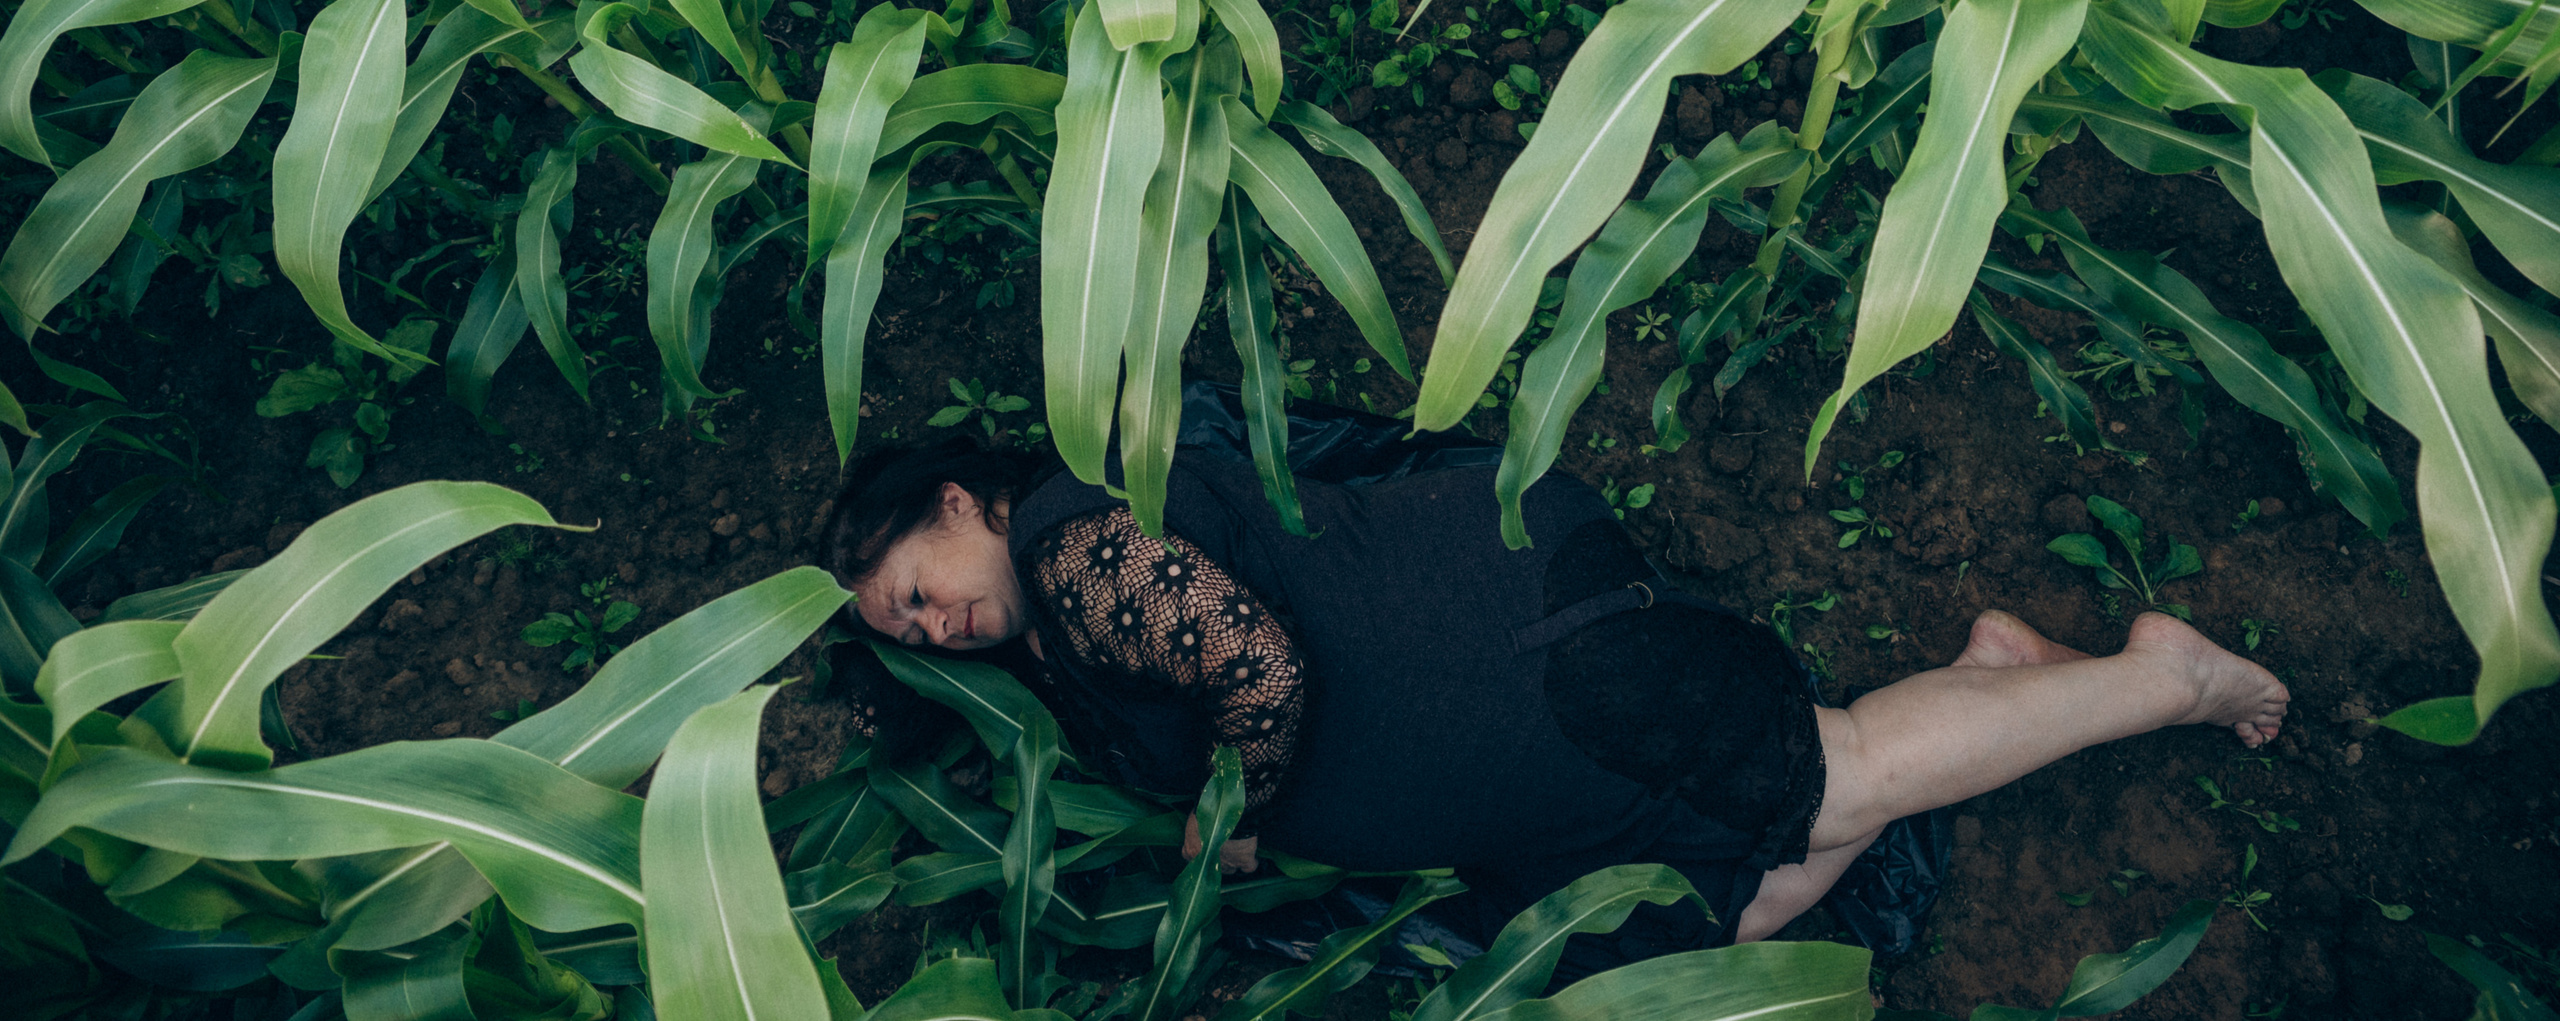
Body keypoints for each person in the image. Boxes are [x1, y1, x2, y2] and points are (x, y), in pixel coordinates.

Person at [821, 418, 2287, 959]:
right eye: (915, 633)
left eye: (917, 586)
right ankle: (1994, 680)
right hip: (1511, 738)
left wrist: (1232, 817)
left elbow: (1255, 662)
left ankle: (2160, 678)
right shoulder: (1070, 628)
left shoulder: (1072, 546)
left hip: (1533, 661)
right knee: (1746, 901)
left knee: (1832, 776)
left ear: (962, 501)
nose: (937, 623)